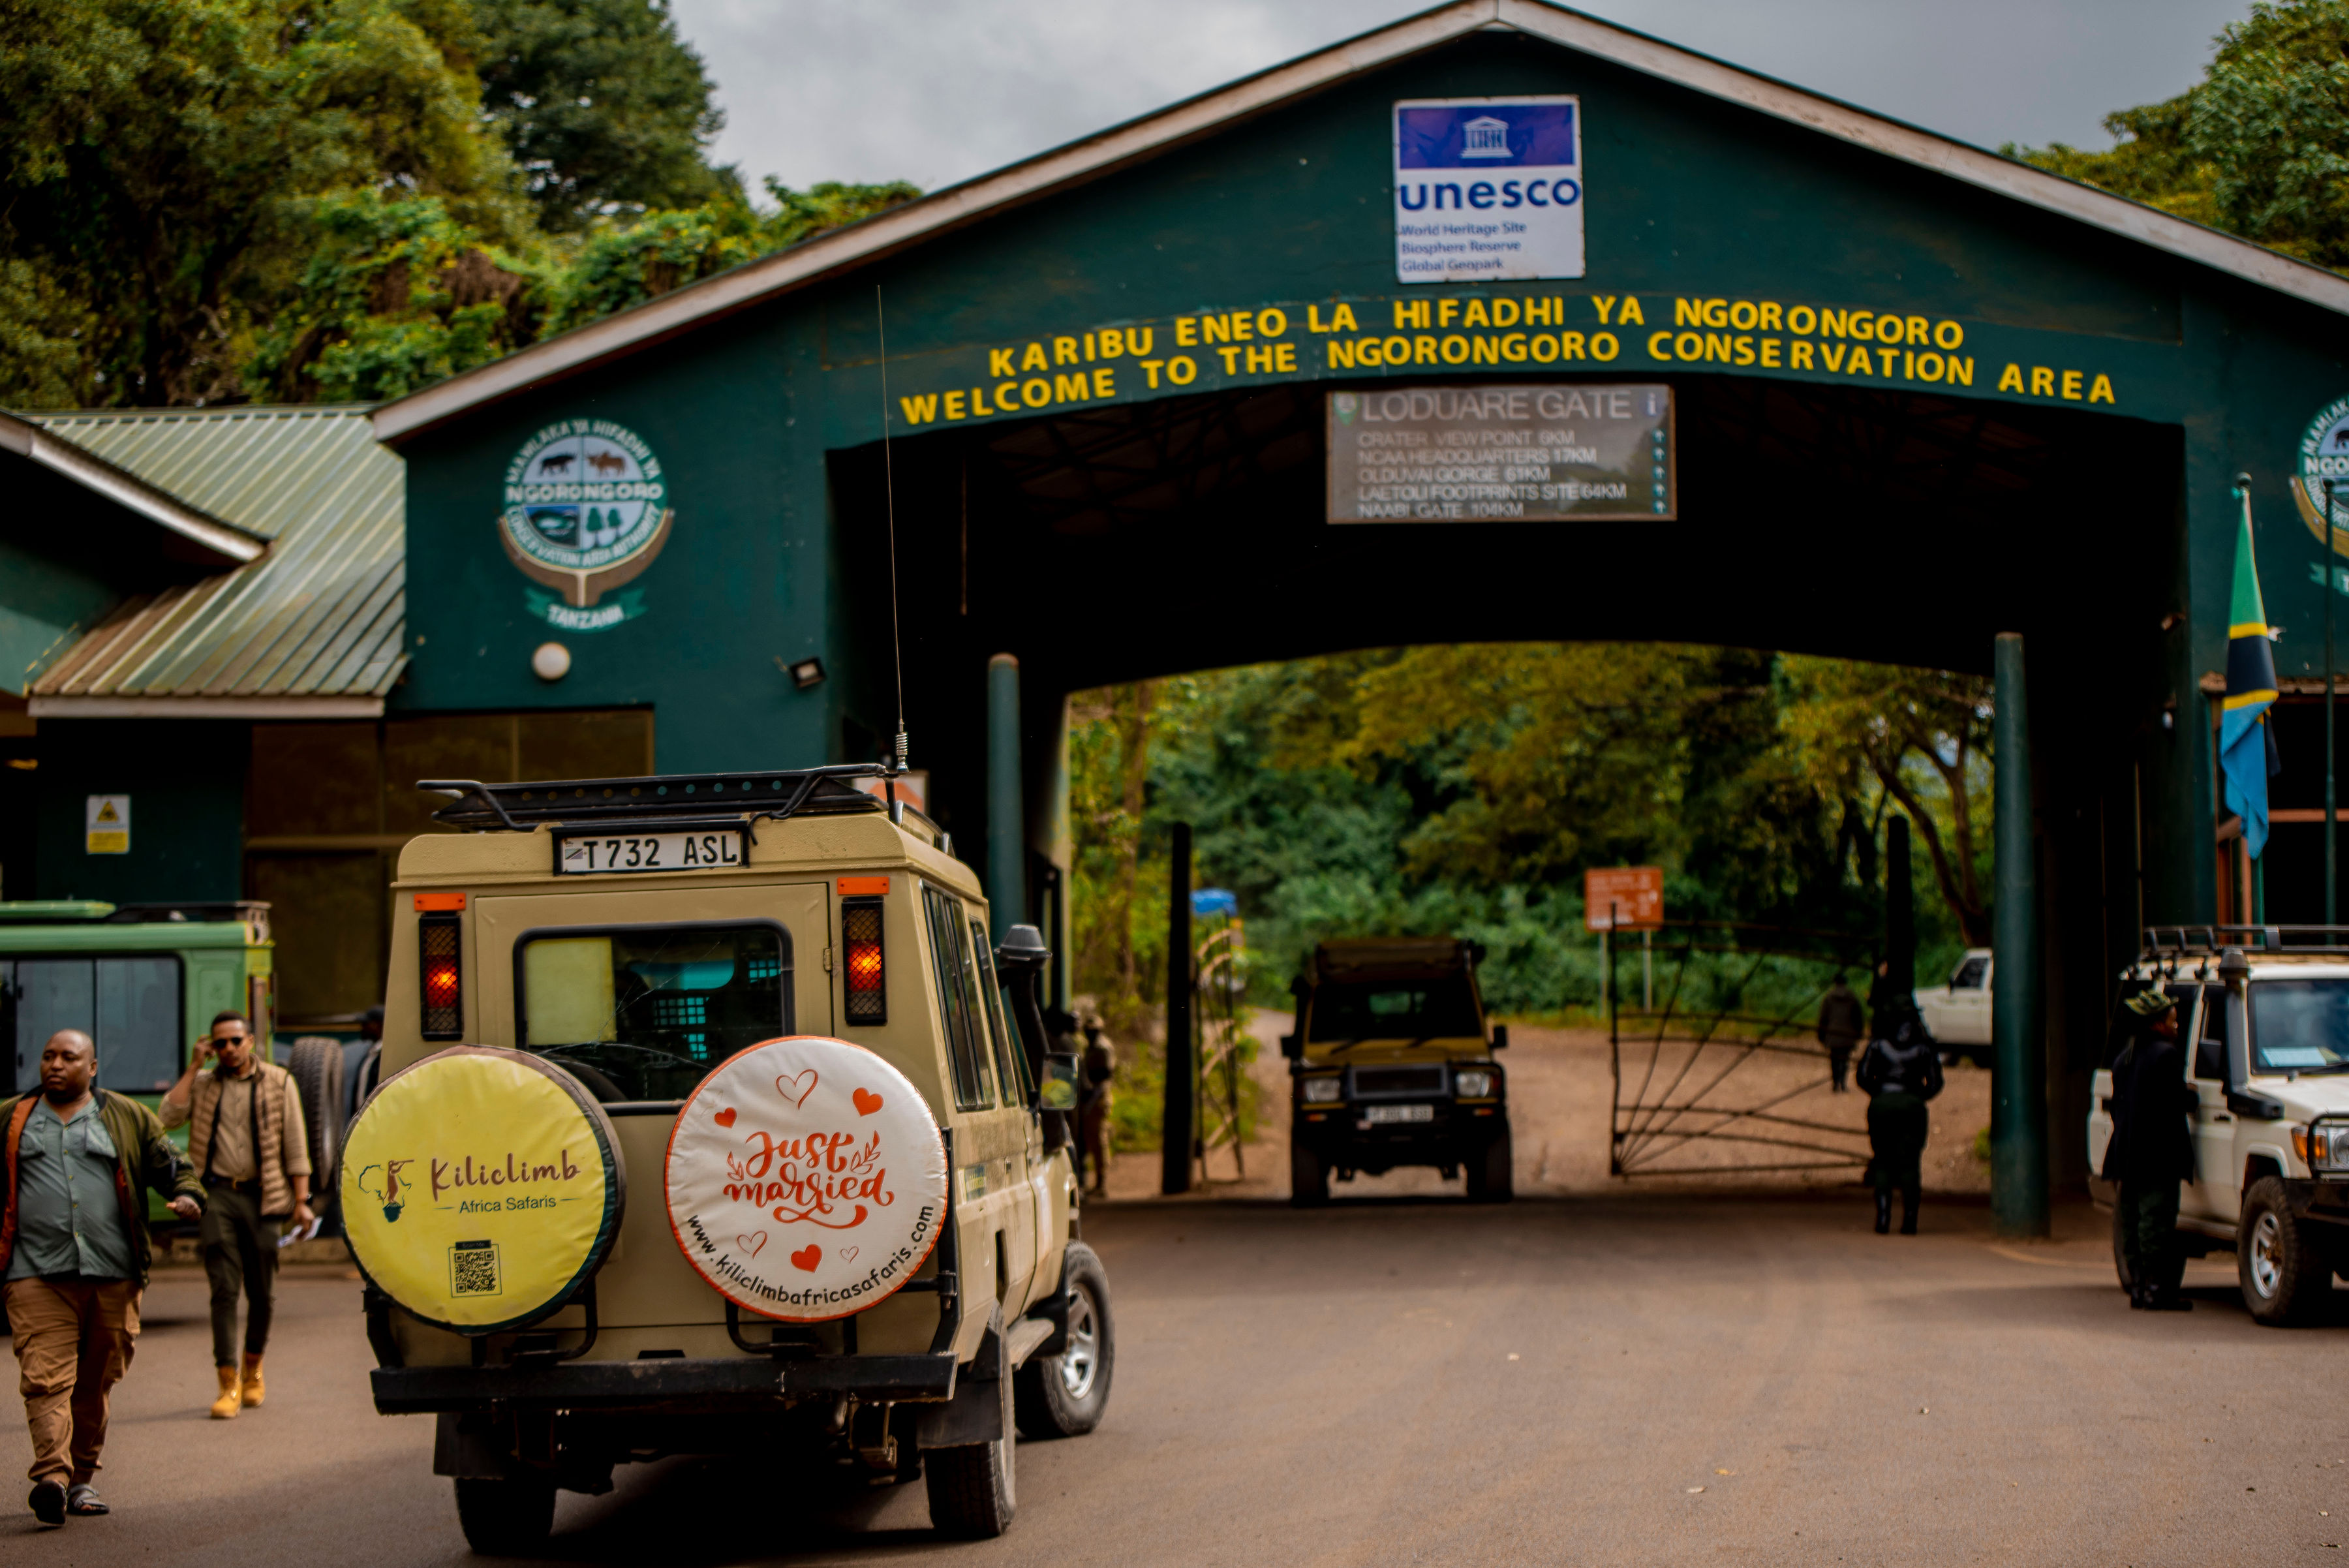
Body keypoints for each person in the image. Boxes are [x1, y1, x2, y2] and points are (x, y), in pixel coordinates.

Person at [3, 1028, 204, 1526]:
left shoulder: (125, 1116)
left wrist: (188, 1195)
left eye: (68, 1057)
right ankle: (51, 1475)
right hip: (35, 1271)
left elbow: (171, 1162)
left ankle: (81, 1479)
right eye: (48, 1055)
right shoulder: (12, 1116)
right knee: (46, 1378)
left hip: (113, 1272)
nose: (54, 1064)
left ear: (91, 1067)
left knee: (94, 1382)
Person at [158, 1011, 312, 1420]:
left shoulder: (279, 1081)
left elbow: (296, 1144)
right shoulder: (206, 1084)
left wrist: (302, 1200)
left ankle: (253, 1368)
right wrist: (194, 1065)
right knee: (224, 1289)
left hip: (267, 1197)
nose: (227, 1050)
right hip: (218, 1194)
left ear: (250, 1042)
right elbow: (168, 1117)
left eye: (234, 1041)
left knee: (262, 1291)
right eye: (219, 1043)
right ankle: (227, 1383)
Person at [2104, 989, 2197, 1311]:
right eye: (2173, 1020)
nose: (2177, 1026)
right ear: (2157, 1024)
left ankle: (2140, 1287)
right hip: (2157, 1156)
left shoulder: (2124, 1057)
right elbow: (2176, 1104)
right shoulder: (2165, 1056)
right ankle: (2158, 1289)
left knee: (2131, 1218)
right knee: (2155, 1221)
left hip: (2126, 1152)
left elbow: (2119, 1107)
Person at [1856, 1006, 1944, 1235]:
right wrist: (1916, 1096)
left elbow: (1863, 1076)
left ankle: (1883, 1218)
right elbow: (1936, 1083)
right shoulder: (1924, 1047)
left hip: (1883, 1103)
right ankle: (1910, 1221)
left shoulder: (1878, 1044)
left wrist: (1880, 1093)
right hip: (1912, 1105)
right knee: (1910, 1162)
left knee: (1883, 1159)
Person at [1077, 1013, 1116, 1197]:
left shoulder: (1103, 1048)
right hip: (1089, 1097)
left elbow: (1104, 1076)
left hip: (1099, 1098)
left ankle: (1102, 1183)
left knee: (1099, 1140)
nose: (1090, 1034)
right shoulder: (1091, 1047)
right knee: (1089, 1139)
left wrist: (1092, 1097)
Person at [1816, 974, 1865, 1092]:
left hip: (1833, 1033)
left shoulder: (1829, 997)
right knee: (1845, 1059)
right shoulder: (1852, 997)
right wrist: (1858, 1033)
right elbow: (1858, 1017)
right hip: (1847, 1034)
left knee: (1834, 1059)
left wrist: (1821, 1035)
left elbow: (1824, 1017)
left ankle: (1835, 1083)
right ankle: (1843, 1083)